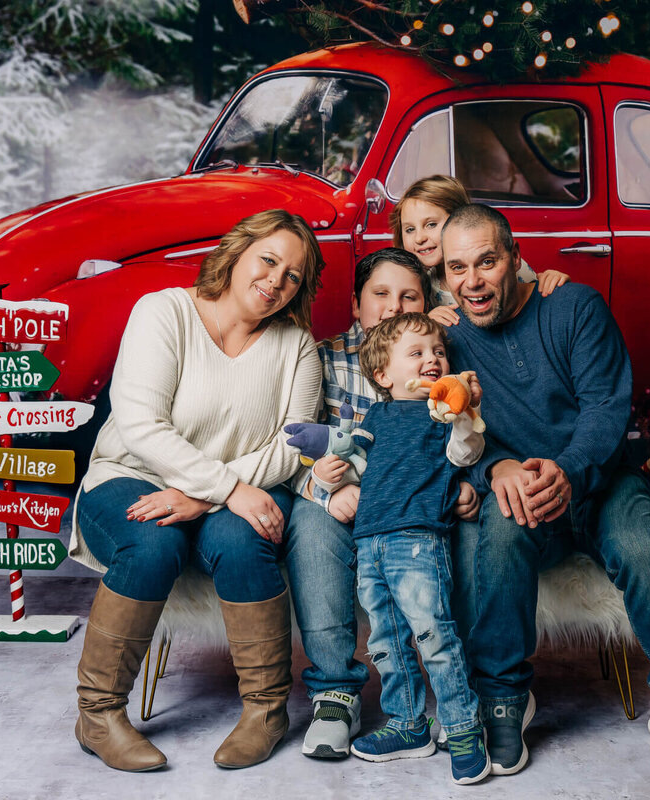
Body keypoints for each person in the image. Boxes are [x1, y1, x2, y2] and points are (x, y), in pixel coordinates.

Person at [438, 203, 650, 774]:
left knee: (643, 546)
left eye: (486, 261)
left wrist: (568, 471)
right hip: (522, 490)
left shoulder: (574, 307)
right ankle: (503, 699)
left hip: (601, 481)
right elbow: (447, 428)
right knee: (498, 527)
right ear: (443, 275)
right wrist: (495, 468)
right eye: (456, 268)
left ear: (515, 259)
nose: (471, 281)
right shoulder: (448, 339)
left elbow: (605, 408)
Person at [67, 209, 325, 772]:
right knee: (153, 543)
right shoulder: (164, 312)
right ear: (236, 253)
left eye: (294, 275)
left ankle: (266, 712)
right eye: (269, 260)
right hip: (134, 474)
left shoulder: (296, 346)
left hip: (245, 489)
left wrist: (209, 497)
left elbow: (295, 446)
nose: (277, 280)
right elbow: (141, 427)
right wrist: (226, 487)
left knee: (243, 541)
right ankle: (99, 714)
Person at [284, 247, 436, 760]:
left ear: (426, 303)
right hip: (343, 497)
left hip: (417, 504)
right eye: (381, 295)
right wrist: (328, 485)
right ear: (355, 304)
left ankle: (475, 687)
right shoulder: (321, 358)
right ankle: (336, 694)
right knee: (310, 521)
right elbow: (294, 441)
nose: (393, 307)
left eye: (408, 296)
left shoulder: (436, 357)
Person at [339, 312, 490, 785]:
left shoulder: (443, 414)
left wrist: (463, 415)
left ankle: (464, 728)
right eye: (417, 352)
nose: (432, 359)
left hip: (418, 540)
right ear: (383, 375)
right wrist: (329, 469)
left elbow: (467, 453)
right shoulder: (377, 414)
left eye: (438, 352)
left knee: (435, 636)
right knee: (385, 641)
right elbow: (353, 456)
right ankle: (407, 725)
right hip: (370, 540)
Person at [389, 174, 569, 310]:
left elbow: (533, 299)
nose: (419, 238)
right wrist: (430, 322)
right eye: (410, 229)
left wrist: (549, 280)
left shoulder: (505, 265)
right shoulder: (422, 284)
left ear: (461, 220)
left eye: (431, 224)